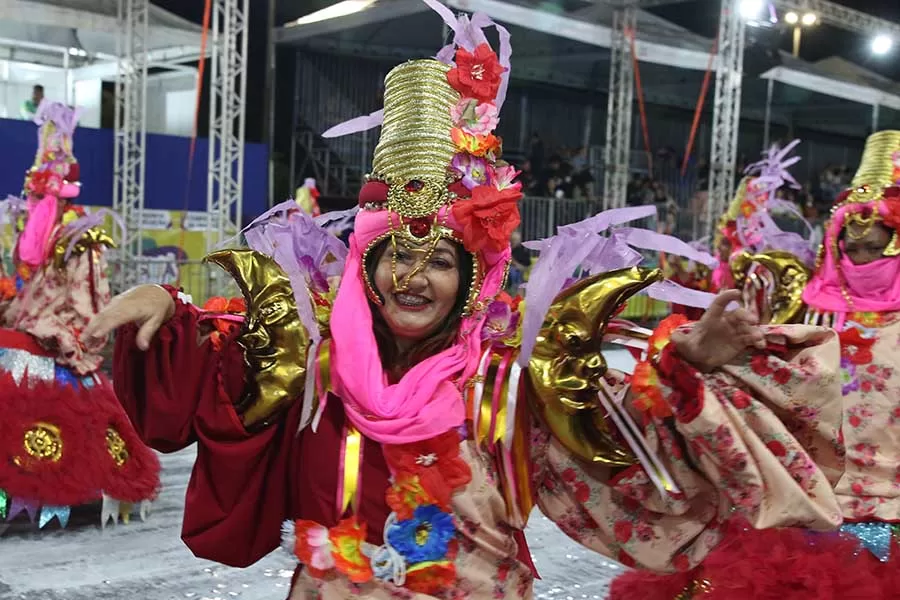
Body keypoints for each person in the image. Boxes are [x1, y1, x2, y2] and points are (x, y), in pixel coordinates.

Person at [86, 4, 843, 597]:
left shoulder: (507, 385)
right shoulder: (318, 374)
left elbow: (636, 455)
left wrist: (689, 364)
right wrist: (163, 299)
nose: (414, 277)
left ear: (472, 279)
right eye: (397, 256)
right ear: (366, 268)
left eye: (440, 260)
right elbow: (212, 374)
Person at [612, 130, 900, 600]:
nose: (861, 257)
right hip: (796, 510)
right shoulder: (801, 309)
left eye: (877, 246)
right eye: (854, 245)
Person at [0, 100, 159, 529]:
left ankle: (42, 492)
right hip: (24, 333)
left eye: (38, 192)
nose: (33, 199)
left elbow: (91, 305)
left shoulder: (80, 240)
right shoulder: (29, 235)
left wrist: (71, 335)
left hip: (55, 341)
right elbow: (23, 292)